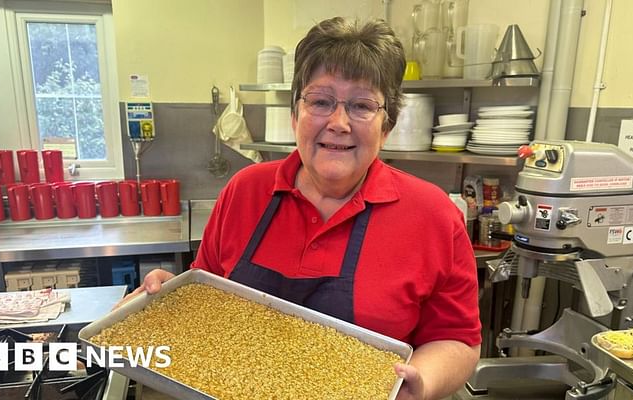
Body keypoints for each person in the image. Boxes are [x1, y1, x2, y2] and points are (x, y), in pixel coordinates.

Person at [120, 16, 481, 400]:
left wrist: (417, 383)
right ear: (295, 114)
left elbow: (457, 340)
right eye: (321, 101)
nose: (339, 123)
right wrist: (167, 300)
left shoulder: (432, 215)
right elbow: (206, 300)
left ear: (386, 126)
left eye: (361, 105)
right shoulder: (245, 191)